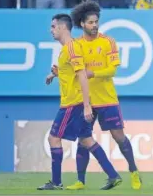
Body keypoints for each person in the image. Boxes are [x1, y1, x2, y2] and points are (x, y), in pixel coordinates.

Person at [64, 1, 141, 190]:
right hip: (85, 100)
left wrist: (92, 73)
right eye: (90, 22)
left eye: (96, 21)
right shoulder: (75, 45)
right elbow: (69, 68)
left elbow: (112, 70)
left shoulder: (108, 41)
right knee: (83, 139)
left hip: (107, 99)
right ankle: (80, 181)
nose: (94, 25)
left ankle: (134, 171)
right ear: (81, 24)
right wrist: (55, 71)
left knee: (119, 136)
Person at [39, 14, 122, 191]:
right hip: (76, 102)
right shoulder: (70, 48)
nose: (51, 30)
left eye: (53, 27)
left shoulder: (71, 48)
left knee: (53, 138)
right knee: (86, 140)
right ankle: (113, 175)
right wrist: (55, 74)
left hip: (72, 103)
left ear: (62, 28)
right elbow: (71, 73)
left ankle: (56, 182)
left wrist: (85, 105)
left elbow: (82, 75)